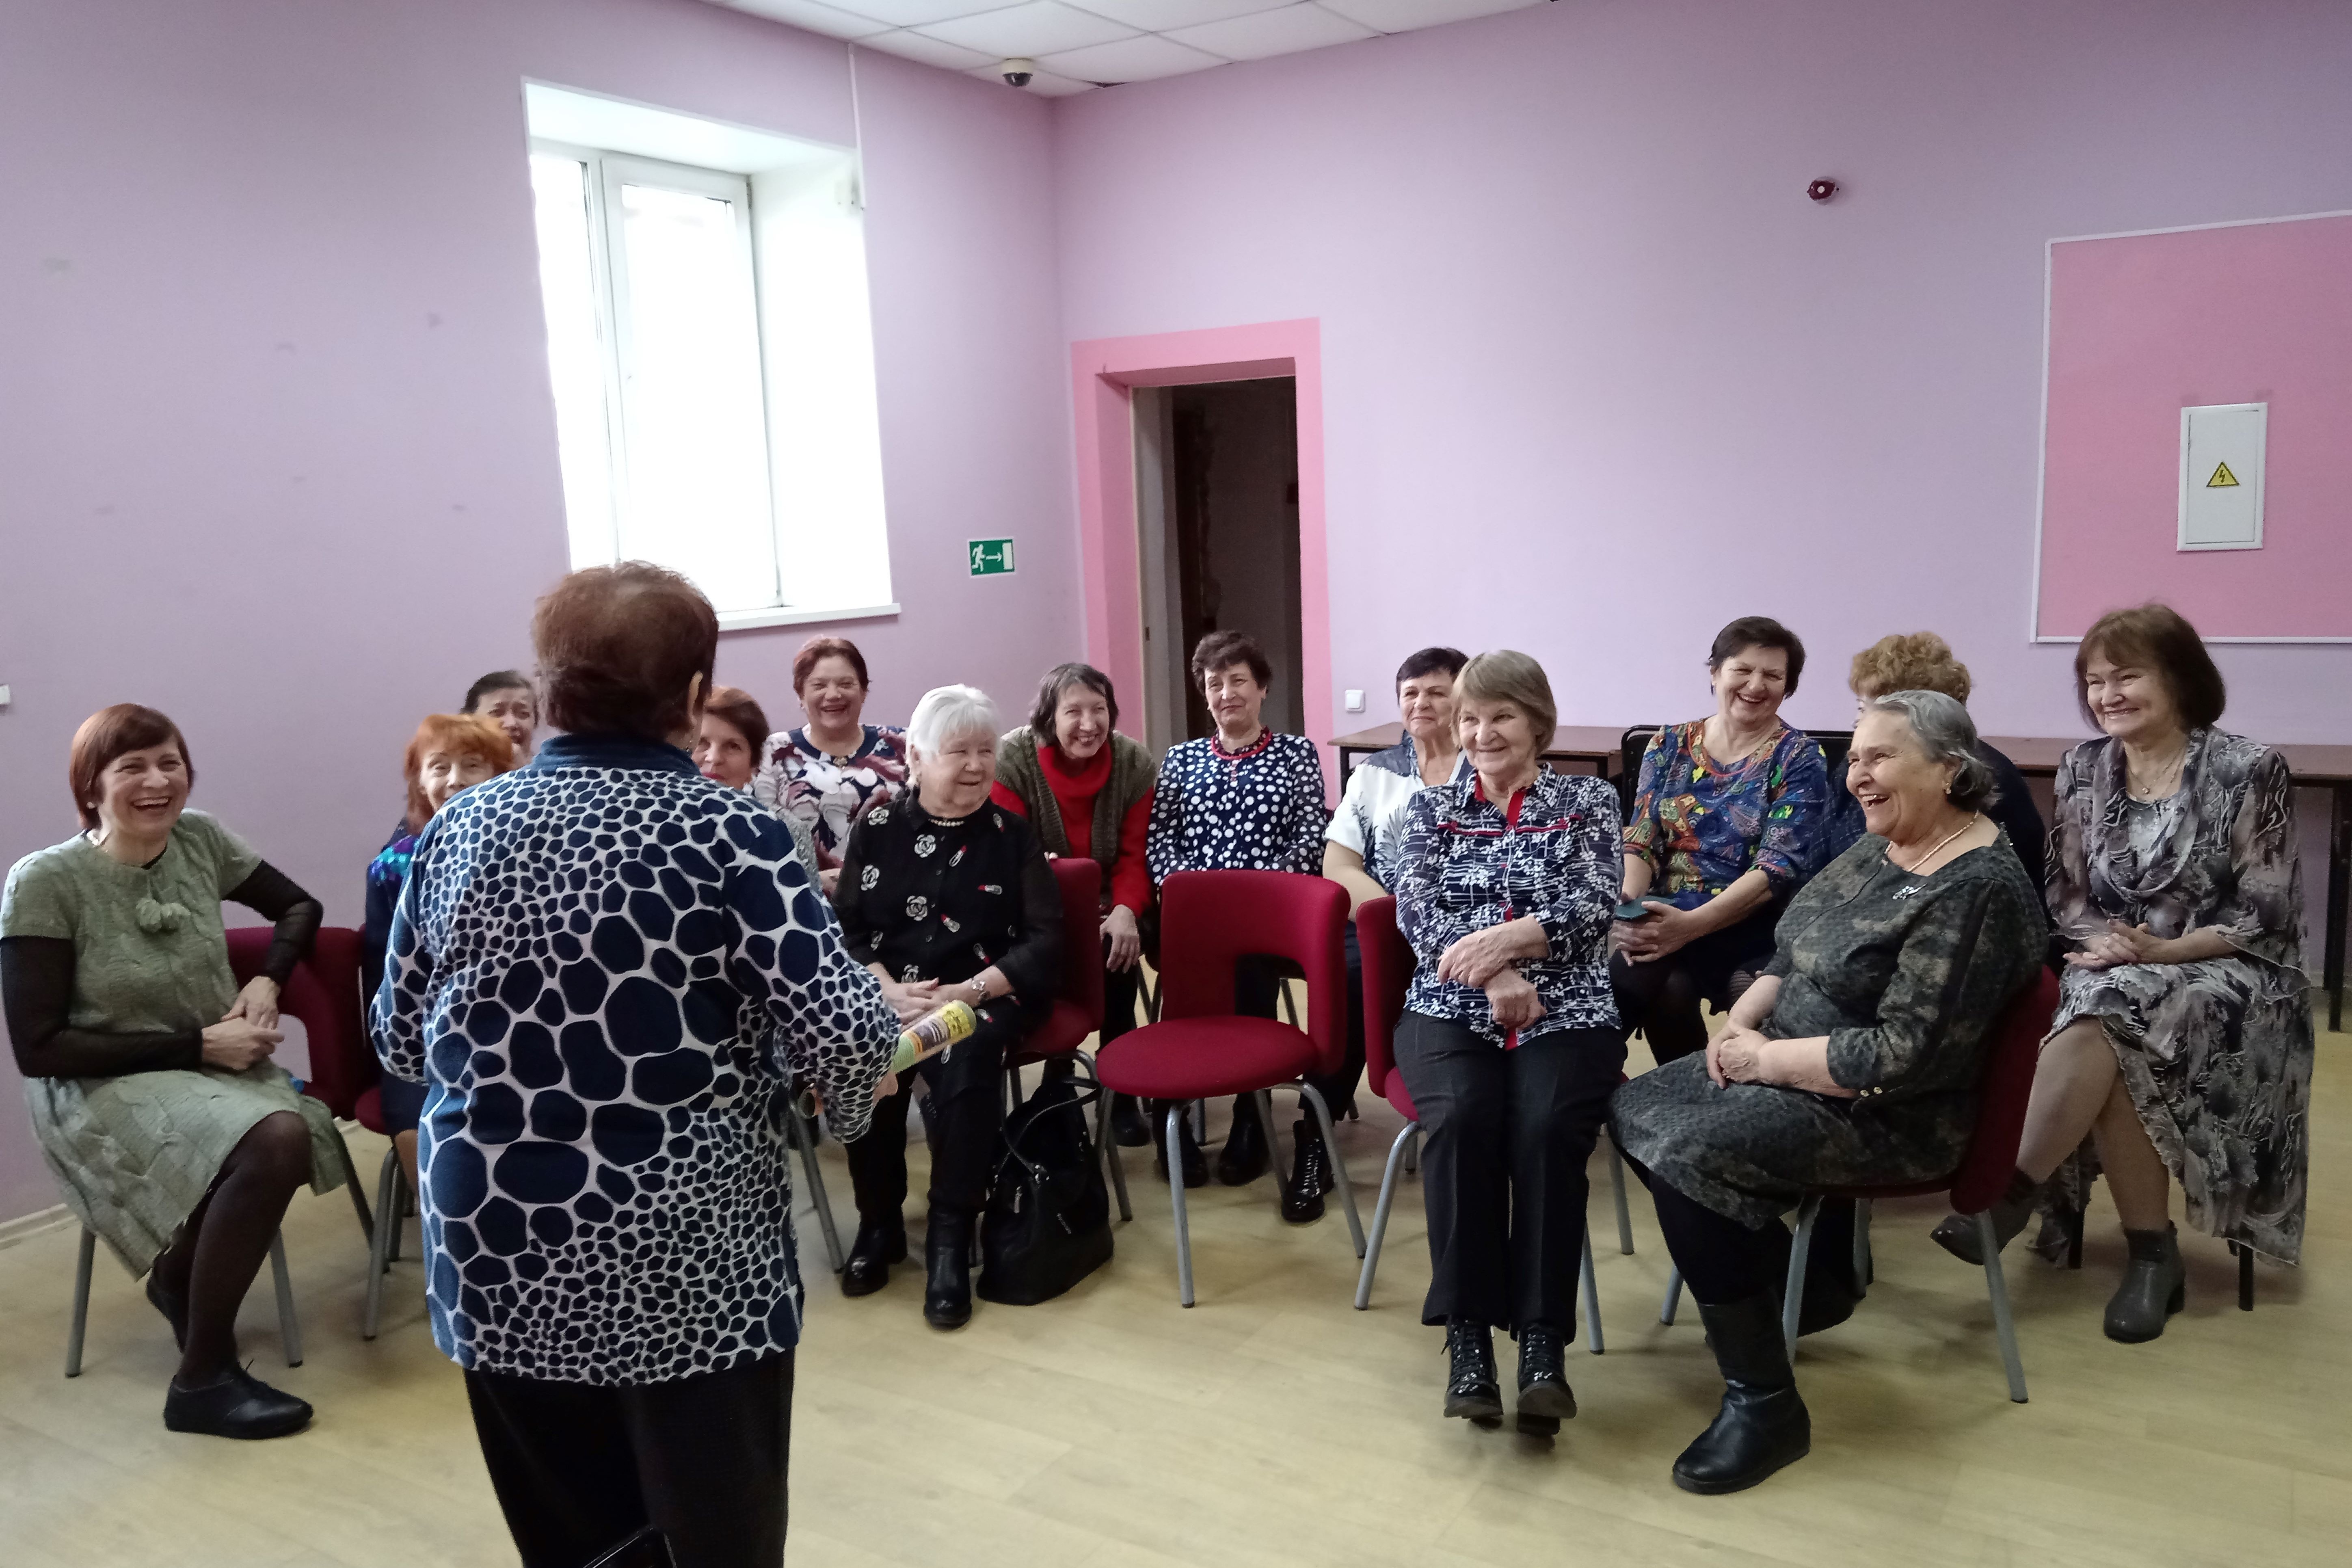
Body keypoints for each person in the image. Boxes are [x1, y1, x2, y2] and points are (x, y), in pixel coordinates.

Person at [372, 564, 899, 1568]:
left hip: (497, 1242)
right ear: (692, 695)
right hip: (681, 1248)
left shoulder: (458, 828)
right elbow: (844, 1035)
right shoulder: (732, 831)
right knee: (719, 1534)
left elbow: (398, 1040)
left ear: (551, 689)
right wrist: (851, 1096)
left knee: (574, 1538)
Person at [1613, 690, 2043, 1493]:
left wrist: (1763, 1061)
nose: (1858, 777)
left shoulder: (1976, 888)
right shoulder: (1888, 844)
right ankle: (1802, 1283)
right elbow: (1795, 941)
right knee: (1632, 1105)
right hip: (1793, 1062)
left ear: (1948, 770)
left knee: (1687, 1150)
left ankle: (1766, 1403)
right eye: (1855, 759)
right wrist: (1742, 1020)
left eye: (1880, 758)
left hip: (1889, 1113)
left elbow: (1903, 1056)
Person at [1927, 604, 2313, 1341]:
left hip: (2231, 973)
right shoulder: (2083, 768)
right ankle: (2149, 1253)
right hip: (2113, 964)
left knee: (2111, 1008)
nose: (2107, 695)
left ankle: (2010, 1192)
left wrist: (2162, 952)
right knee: (2113, 1007)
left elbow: (2266, 913)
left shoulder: (2247, 768)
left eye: (2126, 676)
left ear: (2179, 678)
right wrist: (2109, 943)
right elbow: (2067, 896)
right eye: (2094, 681)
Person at [1, 705, 343, 1439]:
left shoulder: (201, 838)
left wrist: (268, 980)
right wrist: (199, 1046)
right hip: (97, 1087)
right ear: (90, 787)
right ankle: (202, 1380)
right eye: (132, 767)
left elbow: (298, 906)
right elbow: (40, 1049)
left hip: (208, 1064)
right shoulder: (44, 881)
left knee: (274, 1133)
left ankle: (176, 1277)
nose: (157, 781)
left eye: (170, 763)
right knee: (277, 1138)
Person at [1388, 651, 1623, 1436]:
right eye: (1469, 718)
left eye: (1501, 716)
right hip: (1449, 1007)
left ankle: (1542, 1345)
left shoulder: (1588, 800)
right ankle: (1467, 1342)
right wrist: (1494, 974)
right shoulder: (1426, 809)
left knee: (1547, 1126)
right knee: (1461, 1120)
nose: (1482, 733)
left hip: (1569, 1009)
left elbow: (1594, 904)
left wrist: (1509, 941)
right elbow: (1417, 914)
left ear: (1536, 722)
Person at [835, 685, 1062, 1329]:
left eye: (986, 751)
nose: (976, 765)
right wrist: (882, 986)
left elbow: (1045, 940)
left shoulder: (1012, 836)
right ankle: (879, 1222)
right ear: (916, 755)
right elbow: (844, 928)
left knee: (968, 1049)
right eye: (958, 751)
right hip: (888, 990)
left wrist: (969, 990)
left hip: (980, 993)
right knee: (860, 1046)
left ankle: (950, 1230)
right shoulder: (877, 828)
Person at [1144, 629, 1330, 1188]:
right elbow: (1161, 840)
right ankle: (1170, 1112)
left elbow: (1310, 838)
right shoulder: (1180, 760)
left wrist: (1253, 898)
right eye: (1215, 683)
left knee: (1249, 962)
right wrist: (1189, 893)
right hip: (1193, 917)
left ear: (1263, 688)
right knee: (1189, 962)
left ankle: (1252, 1111)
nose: (1227, 693)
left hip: (1267, 917)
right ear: (1204, 694)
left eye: (1239, 681)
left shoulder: (1296, 754)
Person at [1615, 616, 1830, 1065]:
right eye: (1742, 670)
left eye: (1772, 675)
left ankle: (1591, 1078)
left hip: (1750, 921)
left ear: (1787, 687)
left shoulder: (1799, 757)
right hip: (1669, 910)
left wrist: (1688, 927)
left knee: (1645, 971)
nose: (1755, 685)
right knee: (1645, 978)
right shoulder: (1668, 744)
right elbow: (1640, 840)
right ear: (1714, 673)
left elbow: (1775, 871)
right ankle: (1671, 1087)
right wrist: (1628, 906)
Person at [1318, 645, 1470, 1220]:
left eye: (1436, 691)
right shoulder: (1374, 773)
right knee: (1352, 977)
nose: (1421, 702)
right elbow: (1339, 866)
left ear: (1463, 697)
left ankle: (1459, 1121)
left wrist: (1431, 924)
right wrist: (1401, 915)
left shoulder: (1485, 765)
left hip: (1464, 929)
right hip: (1381, 920)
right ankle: (1317, 1131)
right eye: (1411, 693)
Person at [991, 662, 1157, 1148]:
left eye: (1099, 710)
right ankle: (1062, 1073)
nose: (1089, 724)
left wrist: (1126, 910)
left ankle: (1116, 1088)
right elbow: (1012, 855)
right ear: (1049, 716)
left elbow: (1134, 857)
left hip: (1112, 901)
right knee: (1063, 946)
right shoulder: (1012, 758)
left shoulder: (1133, 762)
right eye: (1073, 712)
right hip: (1038, 900)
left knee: (1117, 949)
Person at [362, 714, 514, 1199]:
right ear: (419, 779)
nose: (455, 780)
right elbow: (382, 972)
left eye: (473, 765)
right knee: (416, 1127)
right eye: (439, 767)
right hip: (421, 1041)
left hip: (507, 1034)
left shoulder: (524, 853)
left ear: (502, 776)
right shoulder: (393, 867)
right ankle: (443, 1227)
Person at [1822, 632, 2047, 887]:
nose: (1858, 722)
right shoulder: (1853, 767)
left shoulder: (1986, 780)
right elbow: (1816, 862)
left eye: (1868, 710)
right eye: (1860, 708)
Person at [750, 636, 909, 898]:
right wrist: (812, 878)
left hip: (895, 897)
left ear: (864, 691)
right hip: (805, 898)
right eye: (819, 685)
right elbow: (764, 834)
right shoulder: (774, 751)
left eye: (846, 684)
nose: (833, 695)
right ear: (801, 695)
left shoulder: (902, 745)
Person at [698, 683, 821, 884]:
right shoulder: (661, 818)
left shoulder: (785, 830)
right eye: (701, 743)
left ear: (754, 765)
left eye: (732, 746)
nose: (714, 758)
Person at [463, 669, 539, 762]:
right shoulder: (453, 770)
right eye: (496, 713)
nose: (511, 724)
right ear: (469, 721)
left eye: (523, 713)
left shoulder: (550, 770)